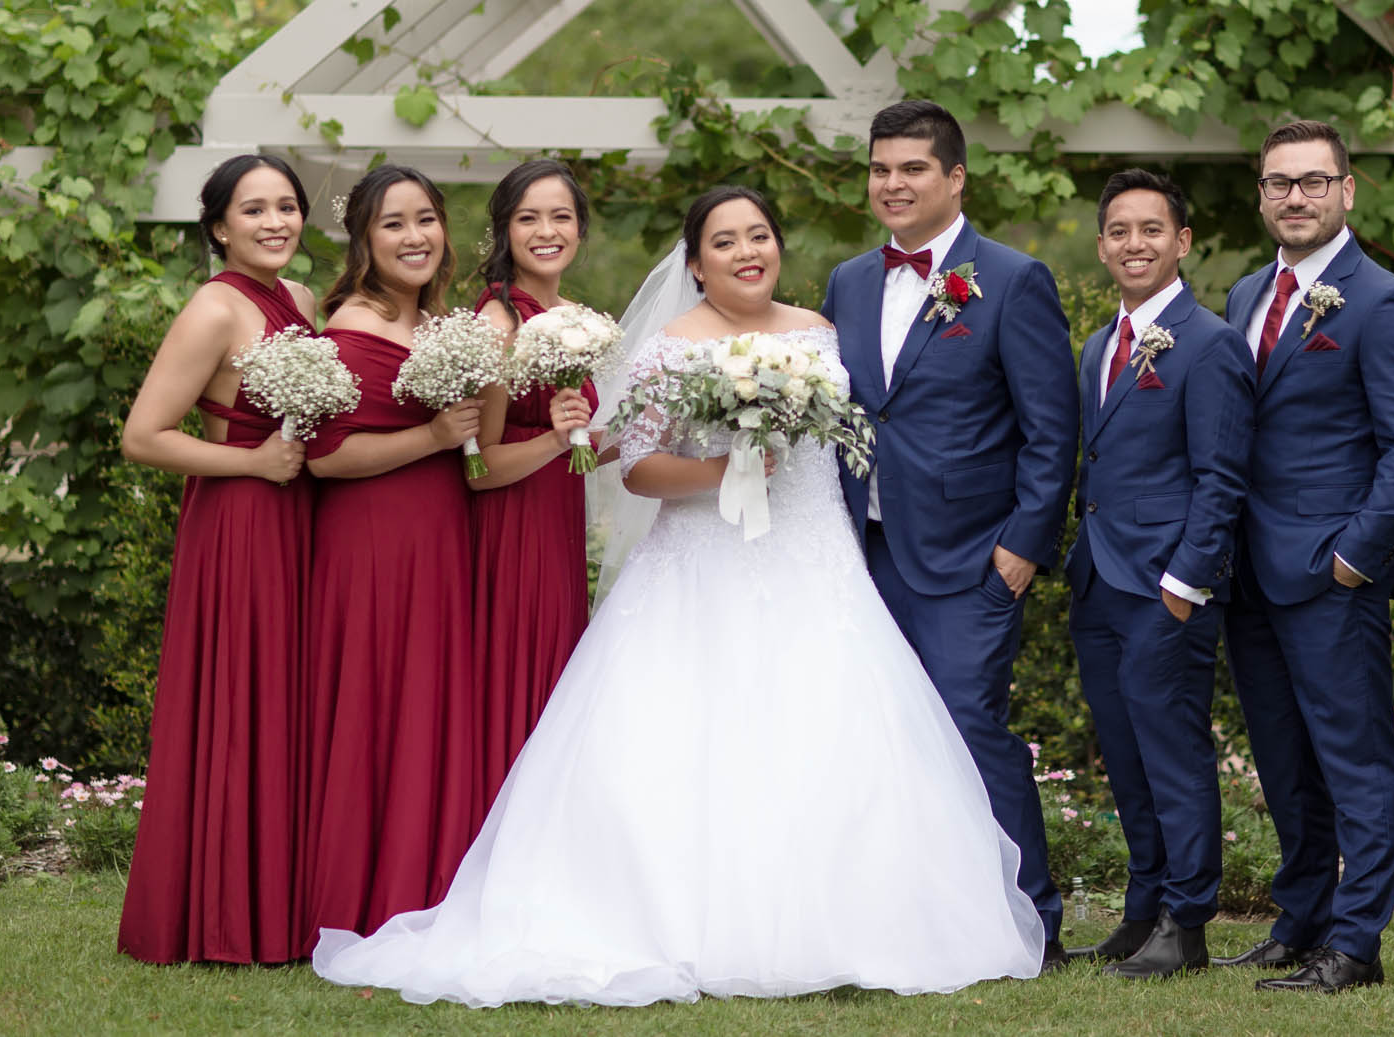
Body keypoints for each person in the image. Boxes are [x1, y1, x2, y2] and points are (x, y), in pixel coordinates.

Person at [312, 186, 1043, 1006]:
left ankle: (854, 920)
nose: (745, 252)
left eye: (758, 235)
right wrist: (724, 465)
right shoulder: (671, 345)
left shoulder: (821, 330)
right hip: (699, 565)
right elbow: (638, 467)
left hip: (817, 561)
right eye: (723, 242)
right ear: (695, 264)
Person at [821, 100, 1081, 967]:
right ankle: (912, 913)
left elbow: (1051, 429)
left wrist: (1022, 547)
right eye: (880, 169)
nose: (892, 184)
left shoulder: (1011, 278)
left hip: (972, 556)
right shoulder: (849, 281)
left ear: (956, 177)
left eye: (912, 168)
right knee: (882, 736)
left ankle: (1031, 917)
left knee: (971, 727)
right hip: (863, 551)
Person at [1217, 121, 1394, 994]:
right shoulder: (1245, 294)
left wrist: (1356, 556)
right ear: (1262, 195)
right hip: (1249, 571)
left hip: (1330, 573)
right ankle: (1300, 921)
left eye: (1314, 181)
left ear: (1347, 190)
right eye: (1280, 182)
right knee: (1284, 761)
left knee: (1356, 762)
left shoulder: (1383, 302)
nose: (1296, 197)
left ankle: (1355, 942)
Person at [116, 154, 319, 964]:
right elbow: (143, 436)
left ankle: (288, 899)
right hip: (240, 519)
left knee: (289, 699)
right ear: (218, 227)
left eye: (287, 206)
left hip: (301, 515)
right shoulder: (213, 308)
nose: (275, 222)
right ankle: (227, 911)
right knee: (243, 698)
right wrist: (254, 462)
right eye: (254, 209)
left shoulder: (302, 298)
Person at [1063, 168, 1253, 979]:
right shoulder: (1097, 346)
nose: (1133, 244)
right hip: (1101, 580)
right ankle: (1144, 908)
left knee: (1173, 754)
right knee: (1125, 752)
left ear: (1182, 242)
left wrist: (1186, 582)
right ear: (1102, 245)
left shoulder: (1209, 343)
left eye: (1151, 229)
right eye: (1119, 230)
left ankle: (1188, 919)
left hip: (1167, 588)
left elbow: (1221, 475)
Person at [301, 165, 486, 942]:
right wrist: (435, 435)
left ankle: (427, 879)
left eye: (425, 219)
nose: (415, 236)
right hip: (373, 541)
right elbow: (324, 458)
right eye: (393, 223)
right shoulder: (350, 326)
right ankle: (360, 892)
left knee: (427, 705)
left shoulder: (437, 321)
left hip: (437, 533)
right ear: (364, 241)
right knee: (376, 705)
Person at [466, 159, 600, 798]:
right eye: (528, 218)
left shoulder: (574, 318)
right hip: (510, 534)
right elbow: (478, 468)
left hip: (558, 524)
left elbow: (576, 446)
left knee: (558, 690)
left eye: (561, 217)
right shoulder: (499, 325)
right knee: (520, 692)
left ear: (579, 229)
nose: (547, 231)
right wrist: (553, 438)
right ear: (505, 230)